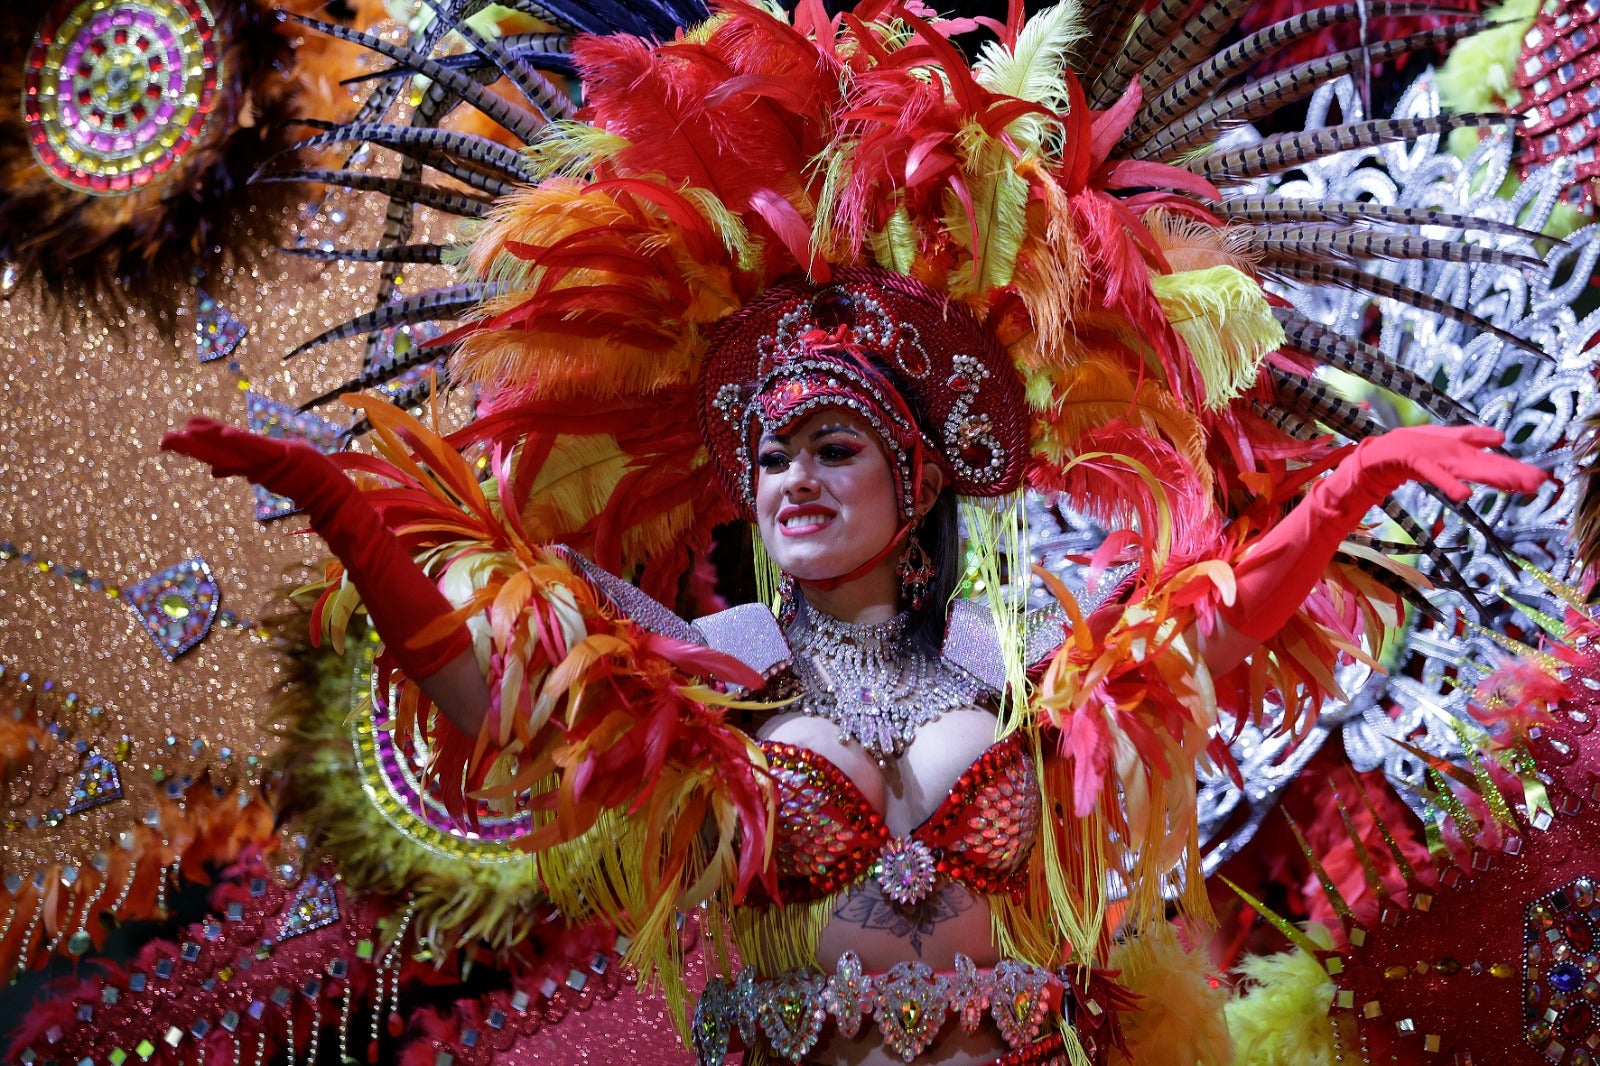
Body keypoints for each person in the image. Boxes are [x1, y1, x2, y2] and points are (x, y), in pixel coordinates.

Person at [159, 3, 1552, 1062]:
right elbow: (500, 697)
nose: (791, 481)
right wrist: (349, 511)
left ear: (923, 480)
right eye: (768, 456)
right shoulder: (708, 662)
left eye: (832, 448)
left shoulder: (1011, 658)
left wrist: (1346, 492)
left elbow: (1206, 639)